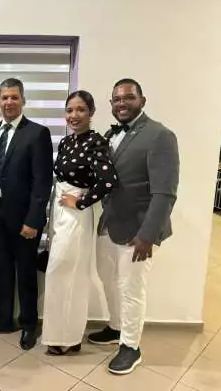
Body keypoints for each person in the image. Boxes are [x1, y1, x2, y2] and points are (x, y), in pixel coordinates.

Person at [88, 79, 180, 375]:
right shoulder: (109, 135)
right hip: (110, 224)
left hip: (138, 230)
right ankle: (116, 327)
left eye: (128, 98)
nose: (122, 103)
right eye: (116, 99)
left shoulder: (160, 135)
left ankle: (131, 346)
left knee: (131, 289)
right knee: (109, 279)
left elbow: (165, 192)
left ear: (142, 100)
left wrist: (147, 236)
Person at [42, 90, 117, 355]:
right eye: (70, 110)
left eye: (81, 110)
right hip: (60, 212)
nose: (74, 115)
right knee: (59, 274)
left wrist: (82, 202)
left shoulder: (96, 142)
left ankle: (68, 337)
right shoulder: (66, 142)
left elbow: (108, 181)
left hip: (76, 216)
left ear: (91, 112)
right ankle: (62, 335)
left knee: (68, 273)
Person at [0, 78, 54, 350]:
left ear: (23, 100)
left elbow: (42, 181)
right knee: (0, 270)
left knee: (25, 273)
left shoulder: (37, 133)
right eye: (4, 97)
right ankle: (2, 318)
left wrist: (34, 219)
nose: (9, 102)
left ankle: (28, 324)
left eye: (14, 97)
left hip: (25, 218)